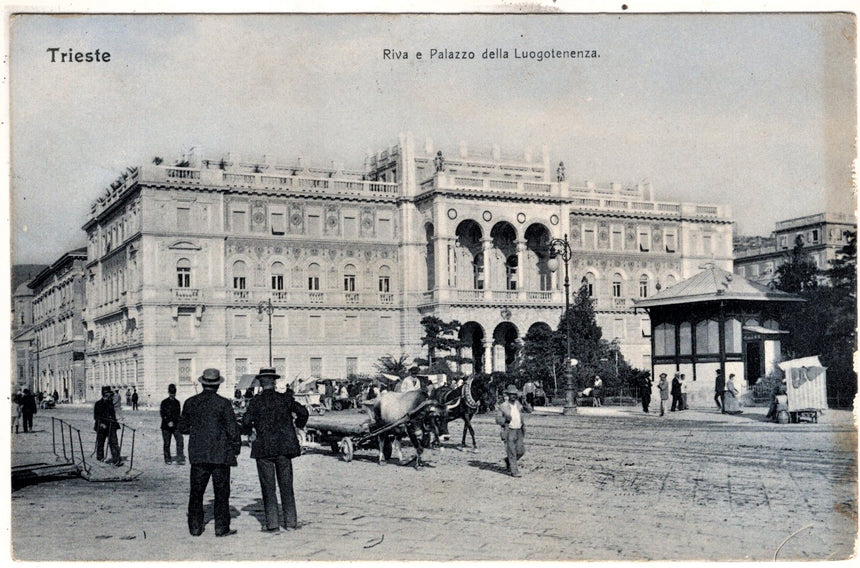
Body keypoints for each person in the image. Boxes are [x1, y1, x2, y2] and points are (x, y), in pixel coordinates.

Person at [242, 368, 309, 532]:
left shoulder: (256, 402)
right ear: (275, 382)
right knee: (287, 486)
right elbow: (304, 412)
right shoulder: (285, 399)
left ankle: (272, 524)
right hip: (284, 448)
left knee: (268, 487)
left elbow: (245, 421)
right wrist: (298, 426)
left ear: (260, 383)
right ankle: (291, 522)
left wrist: (250, 431)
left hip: (264, 448)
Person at [178, 368, 241, 537]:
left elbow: (182, 427)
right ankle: (221, 528)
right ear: (218, 385)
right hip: (220, 455)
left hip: (198, 454)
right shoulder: (224, 403)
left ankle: (195, 528)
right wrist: (236, 448)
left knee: (196, 492)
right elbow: (233, 430)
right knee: (221, 493)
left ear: (202, 383)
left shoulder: (190, 402)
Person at [495, 384, 532, 478]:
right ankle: (514, 471)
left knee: (521, 451)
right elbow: (498, 420)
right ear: (508, 395)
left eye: (515, 394)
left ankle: (508, 461)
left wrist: (525, 402)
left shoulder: (519, 404)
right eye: (511, 394)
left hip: (519, 430)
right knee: (511, 451)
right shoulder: (503, 406)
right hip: (509, 431)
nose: (513, 396)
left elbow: (529, 410)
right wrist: (506, 419)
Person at [94, 386, 121, 465]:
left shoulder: (110, 403)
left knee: (114, 442)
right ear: (105, 394)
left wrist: (115, 422)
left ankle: (116, 459)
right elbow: (96, 416)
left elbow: (113, 415)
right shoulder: (98, 404)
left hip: (111, 426)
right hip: (101, 427)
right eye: (109, 394)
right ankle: (100, 458)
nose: (111, 395)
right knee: (100, 443)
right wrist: (101, 423)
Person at [160, 384, 185, 465]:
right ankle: (167, 458)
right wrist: (168, 422)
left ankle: (180, 458)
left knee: (180, 440)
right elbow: (162, 413)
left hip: (175, 426)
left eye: (174, 393)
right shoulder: (164, 402)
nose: (172, 395)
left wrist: (178, 423)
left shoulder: (177, 403)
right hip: (166, 427)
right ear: (168, 392)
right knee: (167, 443)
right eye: (171, 393)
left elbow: (178, 414)